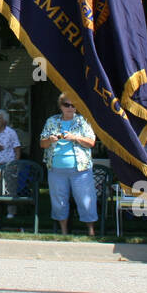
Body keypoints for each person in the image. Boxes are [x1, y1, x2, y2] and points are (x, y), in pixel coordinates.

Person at [39, 95, 98, 238]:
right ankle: (64, 232)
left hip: (80, 169)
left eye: (73, 105)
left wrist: (75, 138)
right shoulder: (51, 121)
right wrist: (50, 140)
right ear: (60, 106)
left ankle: (91, 232)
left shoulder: (83, 121)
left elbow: (91, 142)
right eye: (67, 105)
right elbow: (42, 144)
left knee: (85, 200)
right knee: (59, 201)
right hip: (56, 169)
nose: (70, 108)